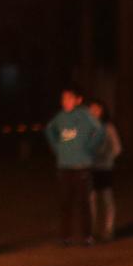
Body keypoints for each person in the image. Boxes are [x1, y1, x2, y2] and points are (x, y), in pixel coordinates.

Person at [43, 86, 104, 246]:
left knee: (83, 202)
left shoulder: (84, 114)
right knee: (65, 202)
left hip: (81, 166)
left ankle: (87, 236)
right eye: (63, 99)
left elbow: (99, 130)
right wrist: (58, 148)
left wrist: (89, 148)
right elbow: (50, 130)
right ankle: (65, 236)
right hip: (64, 166)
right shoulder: (61, 117)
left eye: (69, 98)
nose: (66, 102)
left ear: (78, 100)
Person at [86, 98, 123, 241]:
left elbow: (117, 148)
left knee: (107, 199)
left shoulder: (108, 127)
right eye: (91, 109)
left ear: (102, 110)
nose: (94, 112)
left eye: (97, 109)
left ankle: (109, 229)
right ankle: (92, 230)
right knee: (91, 199)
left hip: (105, 168)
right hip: (90, 168)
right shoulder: (87, 128)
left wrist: (108, 158)